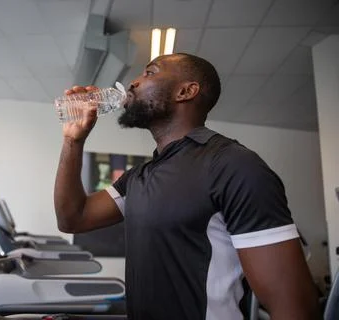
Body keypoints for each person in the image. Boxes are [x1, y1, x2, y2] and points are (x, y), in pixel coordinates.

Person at [53, 53, 321, 319]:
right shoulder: (139, 176)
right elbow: (72, 219)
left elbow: (295, 307)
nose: (133, 82)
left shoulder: (233, 165)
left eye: (149, 72)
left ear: (186, 91)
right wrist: (73, 141)